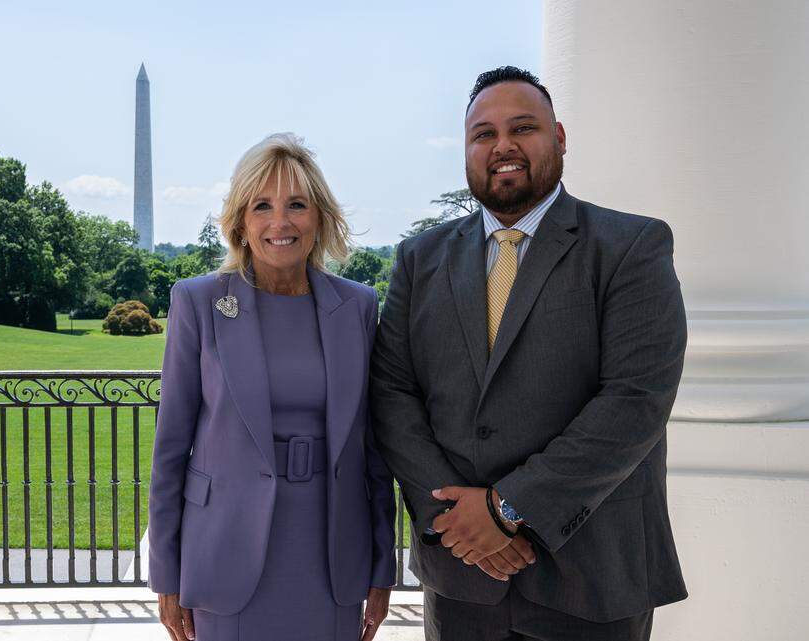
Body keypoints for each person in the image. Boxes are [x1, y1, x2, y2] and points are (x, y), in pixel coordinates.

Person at [371, 66, 688, 641]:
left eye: (524, 128)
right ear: (466, 150)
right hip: (461, 577)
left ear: (559, 137)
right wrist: (455, 522)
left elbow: (635, 401)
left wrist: (506, 509)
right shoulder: (420, 259)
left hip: (591, 576)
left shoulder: (631, 246)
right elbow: (393, 393)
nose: (503, 146)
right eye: (483, 134)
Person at [148, 132, 397, 641]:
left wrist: (381, 566)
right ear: (240, 221)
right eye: (261, 205)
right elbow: (170, 448)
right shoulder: (199, 303)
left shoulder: (357, 307)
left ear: (320, 217)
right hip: (225, 554)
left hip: (331, 557)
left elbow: (375, 450)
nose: (280, 222)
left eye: (297, 205)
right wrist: (166, 574)